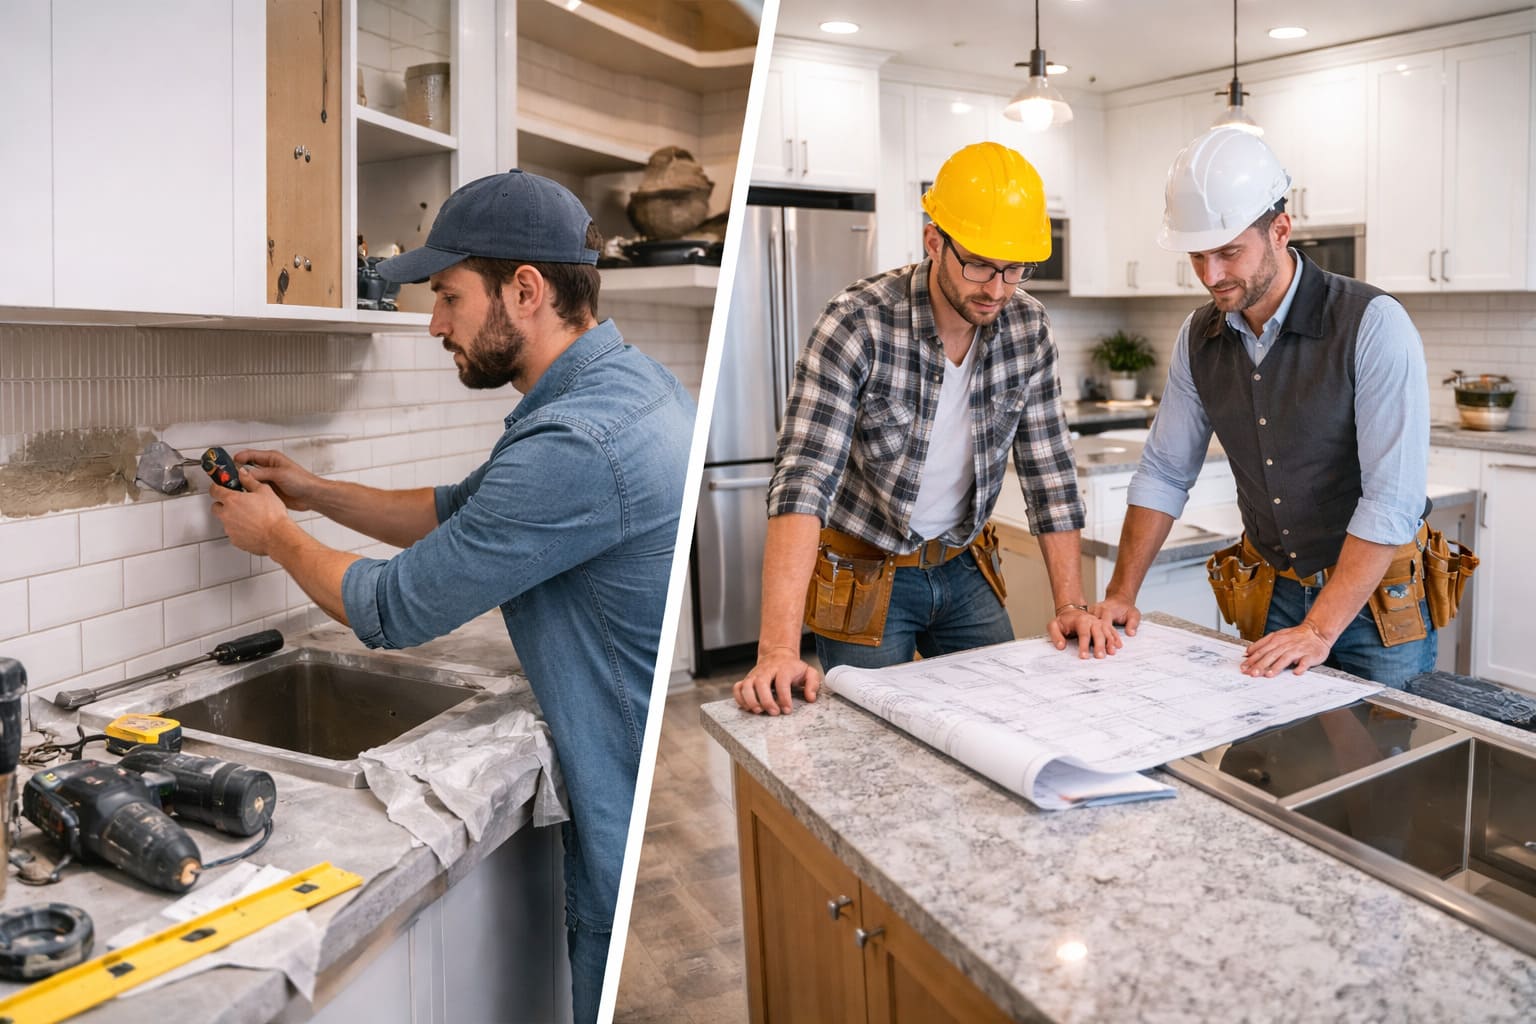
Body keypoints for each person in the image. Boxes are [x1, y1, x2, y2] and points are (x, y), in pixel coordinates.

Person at [209, 169, 694, 1022]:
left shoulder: (577, 442)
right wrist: (315, 493)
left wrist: (276, 537)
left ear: (528, 290)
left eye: (447, 296)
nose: (433, 324)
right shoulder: (620, 388)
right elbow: (457, 515)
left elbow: (391, 611)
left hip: (619, 782)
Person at [734, 142, 1119, 717]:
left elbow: (1050, 473)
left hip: (965, 566)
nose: (996, 288)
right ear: (934, 239)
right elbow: (803, 482)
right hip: (863, 574)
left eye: (1014, 269)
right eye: (980, 264)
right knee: (872, 744)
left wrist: (1071, 602)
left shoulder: (1028, 326)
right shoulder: (858, 322)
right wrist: (778, 649)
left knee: (1006, 721)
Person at [1093, 126, 1436, 687]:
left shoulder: (1372, 324)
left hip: (1375, 604)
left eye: (1229, 253)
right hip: (1270, 590)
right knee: (1272, 762)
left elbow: (1391, 500)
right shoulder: (1197, 336)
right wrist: (1120, 594)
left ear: (1280, 230)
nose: (1211, 276)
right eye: (1197, 256)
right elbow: (1163, 471)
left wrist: (1320, 630)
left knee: (1381, 760)